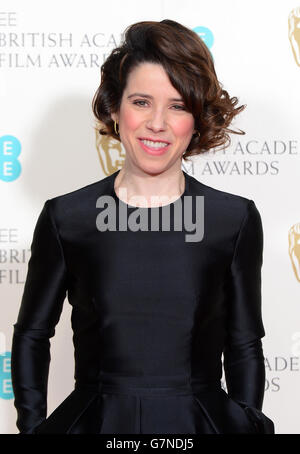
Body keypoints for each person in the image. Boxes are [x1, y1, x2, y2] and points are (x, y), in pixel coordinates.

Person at [11, 19, 275, 434]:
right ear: (115, 108)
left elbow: (243, 343)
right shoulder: (67, 217)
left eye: (177, 105)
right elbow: (31, 333)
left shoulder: (232, 219)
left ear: (196, 118)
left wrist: (246, 423)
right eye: (141, 102)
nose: (157, 123)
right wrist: (32, 427)